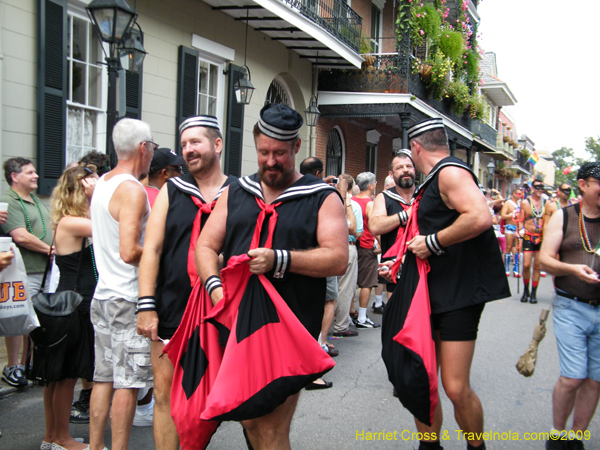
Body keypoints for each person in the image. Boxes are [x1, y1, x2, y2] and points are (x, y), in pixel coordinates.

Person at [196, 103, 348, 449]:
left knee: (272, 427)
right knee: (249, 418)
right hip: (236, 324)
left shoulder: (321, 197)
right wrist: (216, 289)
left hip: (290, 327)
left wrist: (280, 259)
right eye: (264, 152)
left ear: (296, 147)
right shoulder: (237, 192)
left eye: (279, 152)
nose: (270, 161)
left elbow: (337, 258)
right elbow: (205, 246)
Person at [385, 118, 509, 450]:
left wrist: (434, 242)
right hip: (431, 294)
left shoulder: (451, 172)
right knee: (420, 380)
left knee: (454, 387)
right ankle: (430, 446)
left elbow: (479, 216)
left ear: (416, 148)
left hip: (458, 296)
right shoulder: (434, 179)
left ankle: (476, 447)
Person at [136, 115, 235, 449]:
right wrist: (146, 305)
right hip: (171, 307)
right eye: (184, 145)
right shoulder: (172, 190)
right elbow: (151, 249)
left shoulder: (238, 193)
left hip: (221, 311)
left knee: (213, 395)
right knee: (164, 395)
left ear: (217, 145)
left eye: (196, 142)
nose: (188, 150)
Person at [88, 118, 155, 450]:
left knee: (103, 378)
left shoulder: (102, 183)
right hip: (127, 297)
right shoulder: (132, 189)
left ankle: (96, 446)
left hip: (103, 295)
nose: (153, 155)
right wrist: (161, 253)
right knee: (128, 383)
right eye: (152, 147)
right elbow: (129, 250)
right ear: (143, 148)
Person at [37, 164, 98, 450]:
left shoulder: (67, 220)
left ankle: (52, 437)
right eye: (89, 184)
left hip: (68, 302)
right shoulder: (73, 222)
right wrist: (99, 194)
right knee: (66, 375)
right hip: (74, 304)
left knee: (58, 376)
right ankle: (62, 439)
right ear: (78, 191)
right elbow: (113, 225)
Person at [539, 162, 600, 450]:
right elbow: (545, 260)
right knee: (574, 376)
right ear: (583, 185)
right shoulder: (564, 217)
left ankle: (576, 437)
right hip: (571, 306)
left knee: (595, 379)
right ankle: (557, 434)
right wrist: (574, 270)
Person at [0, 157, 53, 388]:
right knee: (17, 316)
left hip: (44, 270)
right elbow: (20, 235)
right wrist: (51, 250)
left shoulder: (34, 200)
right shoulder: (7, 200)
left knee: (35, 320)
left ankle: (29, 366)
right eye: (30, 172)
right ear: (14, 176)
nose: (36, 176)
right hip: (23, 271)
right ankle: (13, 366)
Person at [299, 156, 340, 361]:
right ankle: (319, 344)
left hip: (298, 259)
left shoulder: (293, 191)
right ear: (318, 174)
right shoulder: (326, 195)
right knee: (329, 299)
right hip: (322, 257)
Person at [369, 150, 417, 306]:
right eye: (400, 167)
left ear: (414, 170)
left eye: (409, 166)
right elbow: (375, 226)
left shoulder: (425, 195)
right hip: (393, 267)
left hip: (423, 264)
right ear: (391, 174)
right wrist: (406, 215)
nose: (405, 170)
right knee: (397, 316)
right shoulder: (384, 197)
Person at [332, 174, 362, 338]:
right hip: (347, 246)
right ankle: (341, 325)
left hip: (330, 246)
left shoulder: (330, 201)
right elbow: (357, 232)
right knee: (345, 288)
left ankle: (327, 322)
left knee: (331, 288)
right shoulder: (353, 206)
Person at [517, 177, 553, 304]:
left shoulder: (547, 203)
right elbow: (520, 221)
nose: (539, 189)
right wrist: (520, 235)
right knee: (526, 265)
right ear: (532, 188)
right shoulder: (525, 203)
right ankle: (525, 290)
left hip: (541, 237)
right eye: (537, 187)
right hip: (528, 235)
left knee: (537, 266)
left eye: (541, 187)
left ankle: (533, 293)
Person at [353, 172, 381, 328]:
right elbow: (374, 227)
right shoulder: (370, 203)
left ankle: (351, 313)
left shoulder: (351, 200)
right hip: (366, 246)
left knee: (351, 283)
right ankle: (362, 318)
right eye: (375, 182)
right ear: (370, 185)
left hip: (354, 245)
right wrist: (381, 244)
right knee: (366, 283)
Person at [500, 188, 523, 277]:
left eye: (521, 194)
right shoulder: (508, 203)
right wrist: (512, 214)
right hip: (510, 227)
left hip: (519, 228)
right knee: (509, 247)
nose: (520, 195)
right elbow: (503, 216)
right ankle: (506, 268)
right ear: (514, 193)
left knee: (518, 247)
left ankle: (516, 268)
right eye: (518, 193)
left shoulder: (521, 204)